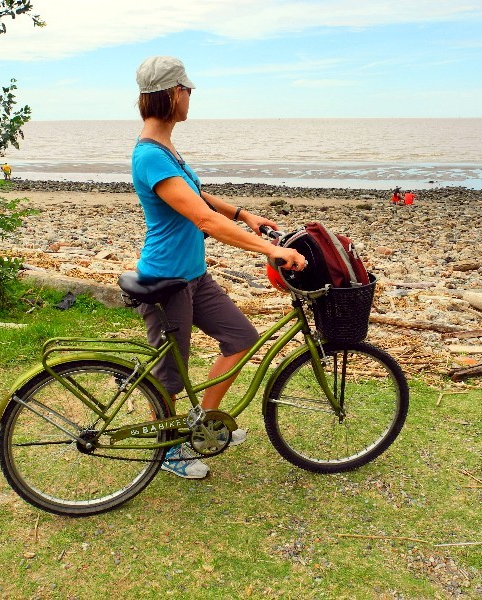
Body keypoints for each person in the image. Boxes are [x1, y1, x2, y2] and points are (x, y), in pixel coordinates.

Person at [131, 56, 306, 479]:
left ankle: (202, 426)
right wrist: (270, 249)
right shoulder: (150, 156)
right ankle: (168, 451)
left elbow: (200, 196)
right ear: (173, 93)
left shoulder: (166, 148)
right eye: (187, 90)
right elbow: (204, 220)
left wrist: (244, 213)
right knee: (171, 376)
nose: (191, 97)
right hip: (166, 281)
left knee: (241, 338)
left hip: (193, 276)